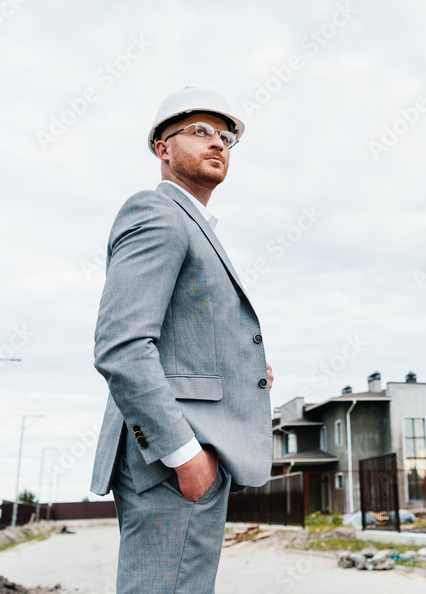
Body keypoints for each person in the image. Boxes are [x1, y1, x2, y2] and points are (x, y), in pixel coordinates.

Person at [90, 86, 273, 593]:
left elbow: (183, 339)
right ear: (161, 148)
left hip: (187, 456)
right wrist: (183, 455)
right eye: (198, 131)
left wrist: (246, 368)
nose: (216, 143)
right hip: (176, 461)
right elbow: (121, 345)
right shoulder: (157, 214)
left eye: (224, 137)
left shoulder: (193, 226)